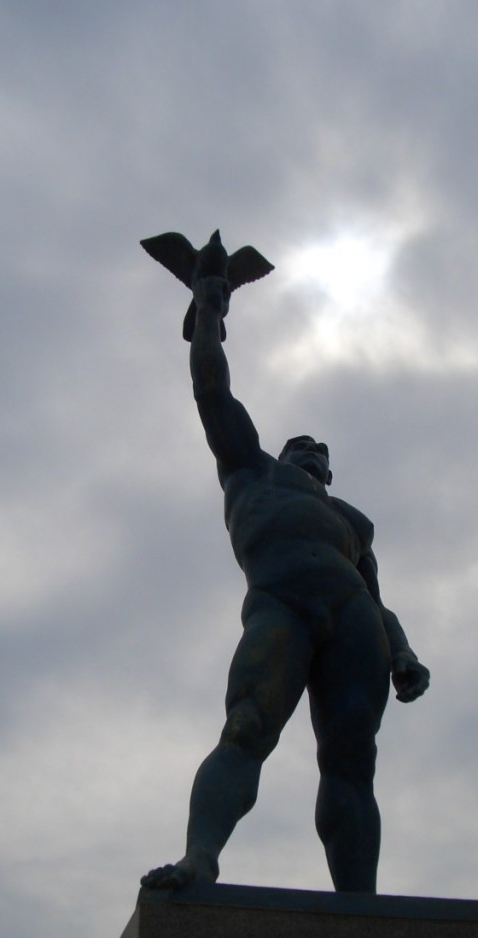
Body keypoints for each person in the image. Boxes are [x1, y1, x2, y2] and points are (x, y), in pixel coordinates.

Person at [141, 273, 429, 894]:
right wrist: (208, 311)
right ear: (283, 452)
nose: (313, 450)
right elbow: (211, 390)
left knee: (352, 762)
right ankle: (200, 858)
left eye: (321, 449)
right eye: (301, 444)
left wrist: (402, 651)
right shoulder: (251, 468)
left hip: (354, 619)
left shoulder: (354, 523)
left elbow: (378, 600)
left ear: (330, 470)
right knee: (246, 727)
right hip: (281, 605)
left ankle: (361, 905)